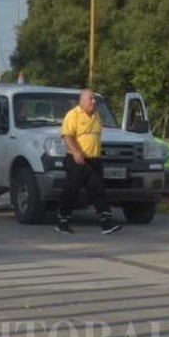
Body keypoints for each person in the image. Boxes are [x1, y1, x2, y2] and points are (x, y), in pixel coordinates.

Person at [56, 88, 120, 236]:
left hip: (94, 160)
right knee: (72, 191)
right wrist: (76, 152)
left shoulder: (97, 116)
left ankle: (106, 222)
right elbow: (67, 136)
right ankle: (62, 220)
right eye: (91, 99)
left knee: (98, 190)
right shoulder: (73, 115)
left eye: (94, 99)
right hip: (77, 160)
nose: (94, 101)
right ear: (82, 100)